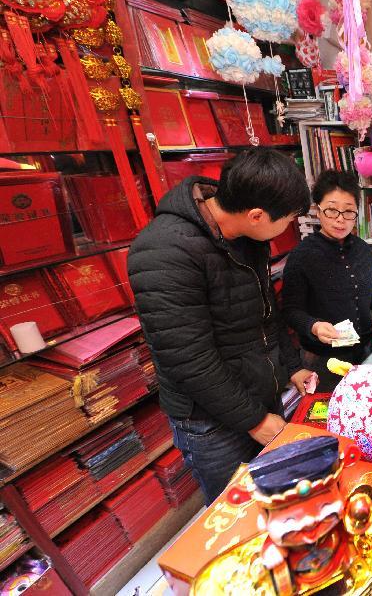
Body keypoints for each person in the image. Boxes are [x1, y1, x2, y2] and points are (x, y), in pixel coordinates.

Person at [128, 147, 314, 504]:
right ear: (257, 215)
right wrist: (255, 421)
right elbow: (189, 360)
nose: (288, 227)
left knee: (277, 497)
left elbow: (266, 313)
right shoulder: (164, 251)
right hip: (211, 421)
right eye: (288, 219)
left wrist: (291, 368)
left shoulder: (246, 234)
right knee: (237, 512)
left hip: (259, 395)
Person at [281, 170, 372, 392]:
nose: (340, 219)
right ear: (317, 210)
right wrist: (313, 326)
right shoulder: (302, 256)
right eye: (332, 210)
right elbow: (291, 311)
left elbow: (369, 286)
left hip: (365, 348)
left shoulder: (362, 249)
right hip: (324, 359)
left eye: (349, 211)